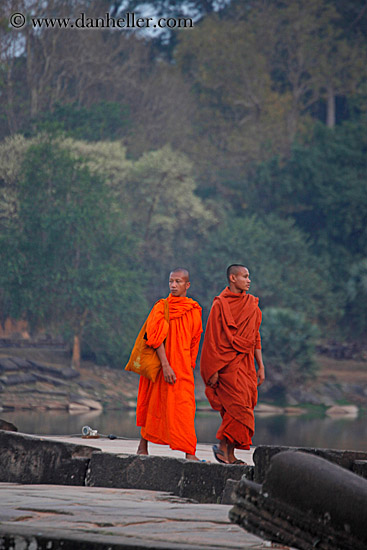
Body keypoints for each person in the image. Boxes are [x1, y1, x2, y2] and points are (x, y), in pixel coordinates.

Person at [200, 264, 265, 464]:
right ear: (232, 278)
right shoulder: (220, 304)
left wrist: (260, 365)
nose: (249, 280)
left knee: (244, 406)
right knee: (236, 408)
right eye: (245, 276)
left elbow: (254, 338)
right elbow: (212, 339)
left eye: (249, 277)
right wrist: (213, 368)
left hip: (245, 365)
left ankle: (229, 453)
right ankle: (222, 447)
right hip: (225, 365)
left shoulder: (252, 305)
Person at [136, 268, 203, 461]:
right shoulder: (161, 307)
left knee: (185, 408)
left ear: (187, 285)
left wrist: (189, 365)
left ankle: (190, 452)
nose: (173, 285)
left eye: (178, 282)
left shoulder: (193, 310)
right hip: (161, 366)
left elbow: (195, 339)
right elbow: (155, 338)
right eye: (171, 282)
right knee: (153, 404)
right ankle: (143, 447)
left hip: (182, 369)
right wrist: (165, 365)